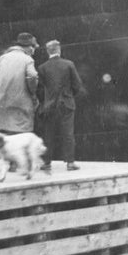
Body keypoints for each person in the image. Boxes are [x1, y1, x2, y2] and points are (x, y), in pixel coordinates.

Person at [37, 40, 85, 171]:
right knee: (68, 133)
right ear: (59, 50)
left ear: (48, 51)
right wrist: (69, 95)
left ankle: (46, 163)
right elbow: (77, 85)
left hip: (49, 105)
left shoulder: (42, 68)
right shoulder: (69, 64)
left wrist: (46, 101)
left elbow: (40, 89)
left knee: (48, 134)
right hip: (67, 104)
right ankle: (70, 163)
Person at [0, 32, 39, 135]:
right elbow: (32, 76)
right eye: (34, 48)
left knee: (5, 140)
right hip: (20, 107)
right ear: (30, 47)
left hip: (1, 107)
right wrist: (32, 93)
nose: (33, 52)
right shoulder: (28, 60)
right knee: (19, 139)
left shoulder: (1, 59)